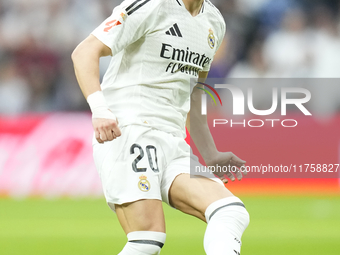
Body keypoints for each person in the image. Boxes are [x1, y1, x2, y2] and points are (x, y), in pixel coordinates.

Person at [72, 0, 249, 254]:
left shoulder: (215, 21)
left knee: (230, 212)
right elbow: (84, 51)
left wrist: (211, 153)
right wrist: (99, 109)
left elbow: (194, 91)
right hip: (131, 129)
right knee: (147, 240)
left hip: (173, 140)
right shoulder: (151, 5)